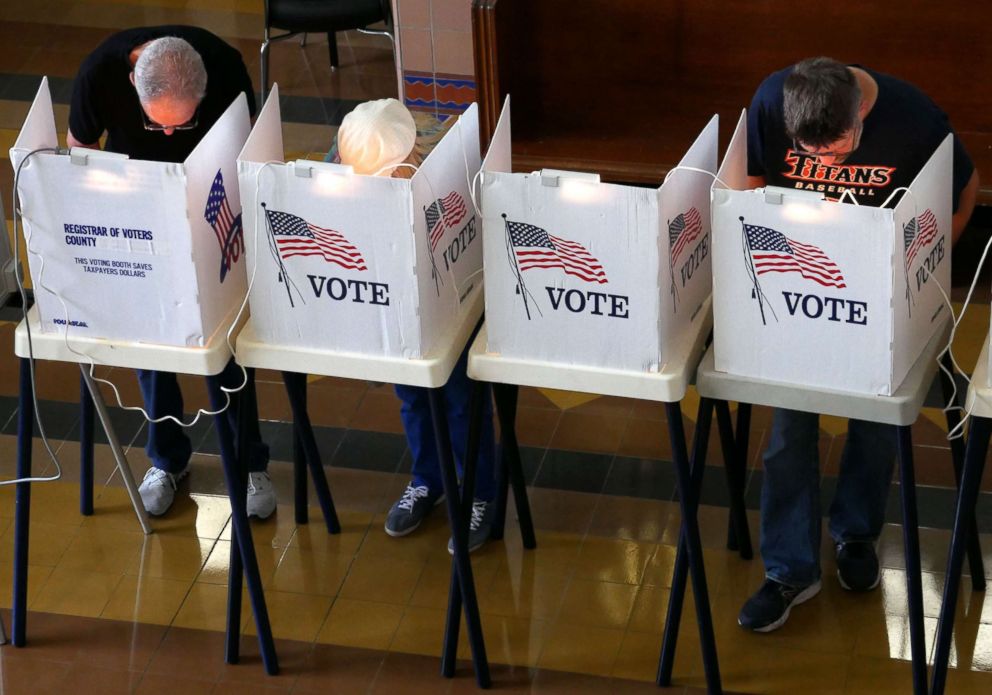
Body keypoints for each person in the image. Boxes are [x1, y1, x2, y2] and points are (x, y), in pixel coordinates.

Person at [740, 56, 979, 632]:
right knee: (788, 431)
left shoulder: (914, 117)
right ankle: (789, 569)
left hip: (882, 293)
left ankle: (855, 535)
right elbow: (747, 183)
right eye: (813, 153)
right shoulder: (771, 100)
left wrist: (926, 263)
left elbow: (965, 189)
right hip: (798, 285)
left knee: (875, 422)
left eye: (839, 148)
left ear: (861, 111)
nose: (826, 162)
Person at [68, 27, 276, 519]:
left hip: (212, 200)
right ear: (135, 89)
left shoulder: (224, 69)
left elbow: (249, 157)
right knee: (153, 342)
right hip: (137, 206)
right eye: (156, 124)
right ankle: (167, 459)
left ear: (201, 95)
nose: (165, 133)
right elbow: (77, 155)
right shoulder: (98, 75)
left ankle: (248, 465)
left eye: (178, 126)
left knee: (225, 347)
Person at [333, 99, 498, 552]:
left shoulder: (445, 167)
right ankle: (430, 478)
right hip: (402, 311)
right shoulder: (348, 159)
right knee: (411, 395)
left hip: (453, 302)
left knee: (462, 401)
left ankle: (482, 491)